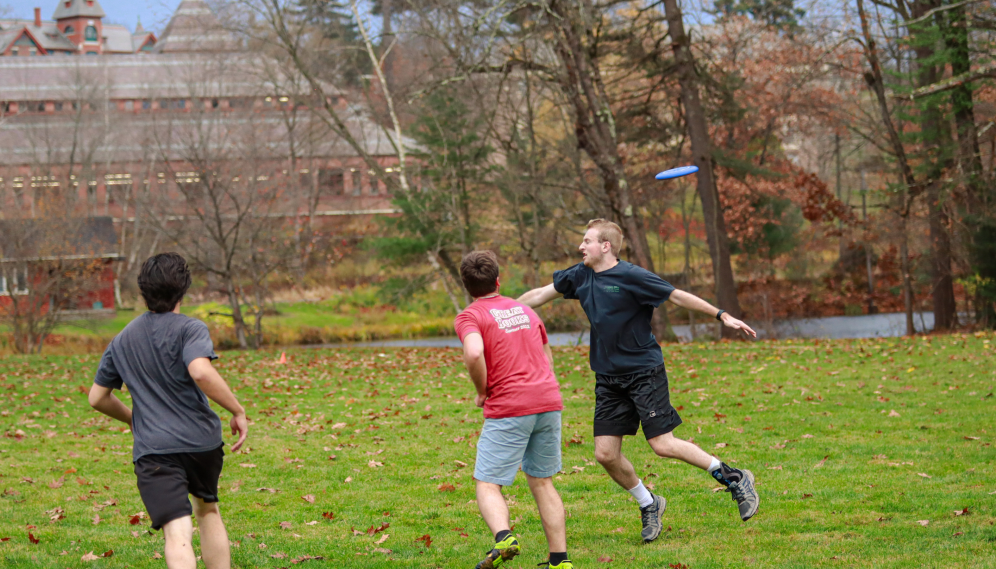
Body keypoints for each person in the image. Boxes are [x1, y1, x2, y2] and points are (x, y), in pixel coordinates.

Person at [517, 219, 760, 544]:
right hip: (608, 377)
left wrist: (722, 315)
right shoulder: (580, 274)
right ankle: (649, 503)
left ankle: (734, 477)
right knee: (605, 454)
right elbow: (539, 295)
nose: (581, 247)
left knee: (662, 444)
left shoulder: (632, 276)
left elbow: (677, 296)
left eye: (586, 241)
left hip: (643, 371)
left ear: (606, 246)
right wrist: (503, 308)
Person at [87, 253, 248, 569]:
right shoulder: (191, 328)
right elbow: (200, 371)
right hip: (202, 444)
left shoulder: (121, 341)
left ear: (143, 290)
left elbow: (97, 398)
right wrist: (237, 409)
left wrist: (135, 419)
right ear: (183, 289)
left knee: (177, 532)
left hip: (155, 451)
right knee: (208, 510)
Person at [454, 250, 573, 569]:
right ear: (497, 279)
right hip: (548, 400)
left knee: (487, 482)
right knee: (542, 481)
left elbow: (475, 353)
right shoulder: (525, 310)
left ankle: (504, 537)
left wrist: (482, 390)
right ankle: (560, 561)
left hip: (510, 405)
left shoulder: (470, 316)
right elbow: (547, 357)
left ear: (466, 285)